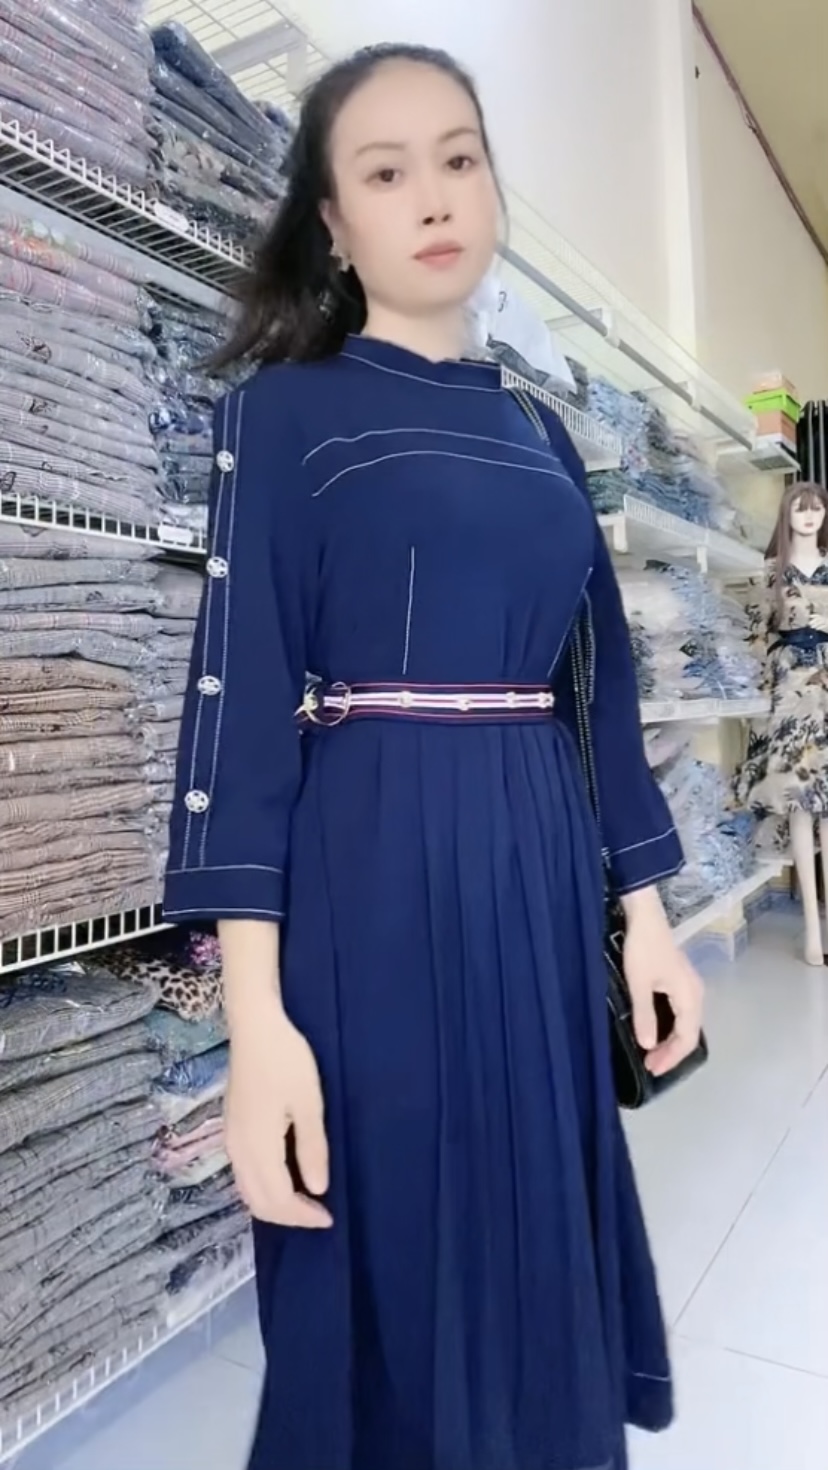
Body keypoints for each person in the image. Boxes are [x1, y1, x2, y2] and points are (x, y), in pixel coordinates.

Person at [164, 42, 704, 1470]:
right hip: (372, 870)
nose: (435, 195)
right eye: (387, 170)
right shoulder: (281, 414)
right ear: (333, 224)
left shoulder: (541, 431)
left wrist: (647, 916)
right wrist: (256, 1028)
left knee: (536, 1201)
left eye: (460, 158)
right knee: (386, 1220)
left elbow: (600, 685)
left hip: (538, 864)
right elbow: (240, 711)